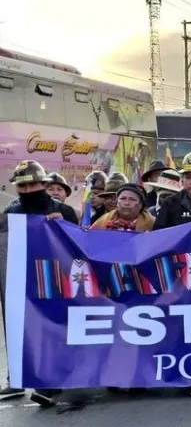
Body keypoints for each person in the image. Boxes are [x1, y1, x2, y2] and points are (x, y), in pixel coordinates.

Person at [0, 160, 79, 406]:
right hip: (20, 280)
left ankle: (51, 382)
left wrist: (62, 227)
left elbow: (79, 246)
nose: (27, 190)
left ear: (44, 184)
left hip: (53, 277)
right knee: (19, 329)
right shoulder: (11, 212)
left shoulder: (63, 210)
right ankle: (17, 376)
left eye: (32, 185)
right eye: (21, 186)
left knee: (53, 328)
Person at [91, 184, 155, 231]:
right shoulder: (102, 221)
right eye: (123, 198)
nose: (126, 203)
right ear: (117, 201)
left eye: (132, 199)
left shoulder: (152, 224)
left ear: (141, 204)